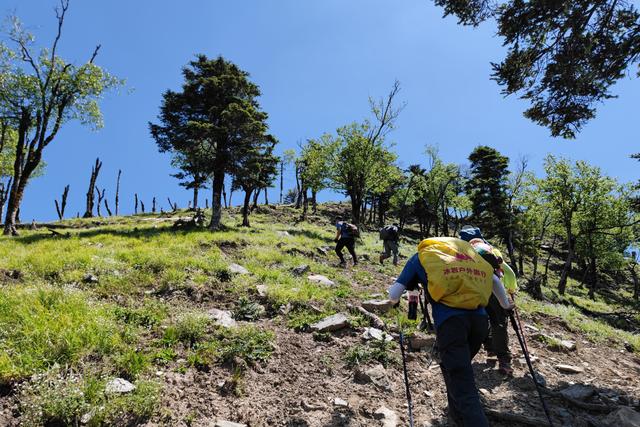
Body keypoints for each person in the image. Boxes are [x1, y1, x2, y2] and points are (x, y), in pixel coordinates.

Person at [387, 237, 514, 426]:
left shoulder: (421, 256)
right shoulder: (471, 257)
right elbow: (496, 282)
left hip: (451, 323)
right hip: (479, 323)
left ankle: (473, 420)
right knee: (452, 368)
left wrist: (395, 303)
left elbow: (393, 294)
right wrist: (506, 305)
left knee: (463, 383)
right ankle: (456, 416)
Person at [459, 225, 518, 376]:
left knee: (479, 320)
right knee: (498, 322)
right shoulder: (490, 250)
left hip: (471, 290)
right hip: (493, 289)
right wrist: (511, 290)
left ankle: (488, 349)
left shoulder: (461, 251)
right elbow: (509, 273)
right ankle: (504, 360)